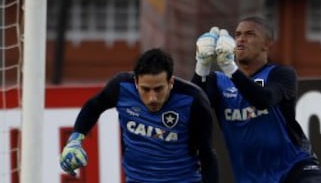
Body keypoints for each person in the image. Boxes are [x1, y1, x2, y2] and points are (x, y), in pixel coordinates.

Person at [192, 16, 321, 183]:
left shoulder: (281, 74)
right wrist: (202, 66)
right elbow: (192, 109)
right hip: (251, 178)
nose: (241, 40)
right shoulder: (219, 81)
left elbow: (263, 99)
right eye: (237, 35)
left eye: (250, 34)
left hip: (294, 167)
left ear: (267, 44)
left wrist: (229, 67)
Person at [60, 48, 219, 183]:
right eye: (145, 89)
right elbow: (93, 107)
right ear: (136, 82)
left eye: (158, 89)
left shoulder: (193, 100)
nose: (152, 98)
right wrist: (75, 140)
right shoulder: (121, 87)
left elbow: (207, 154)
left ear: (170, 82)